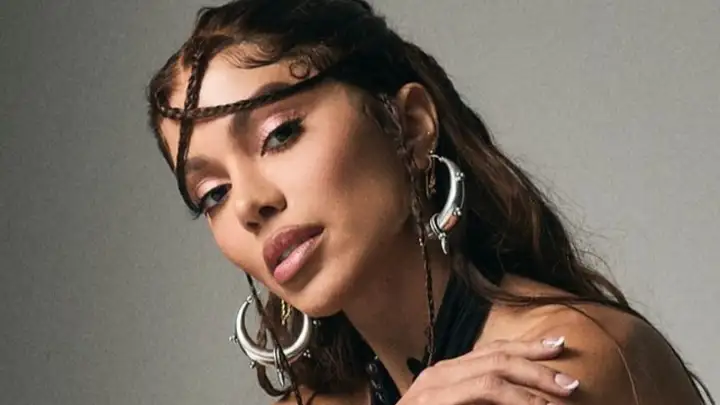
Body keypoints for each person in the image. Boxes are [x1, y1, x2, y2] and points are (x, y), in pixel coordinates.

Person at [145, 1, 714, 404]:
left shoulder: (560, 361)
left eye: (280, 134)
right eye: (212, 194)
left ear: (410, 127)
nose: (249, 204)